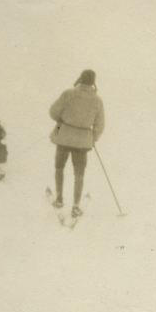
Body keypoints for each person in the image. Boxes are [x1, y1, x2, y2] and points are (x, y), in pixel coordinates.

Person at [48, 69, 104, 216]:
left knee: (59, 167)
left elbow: (53, 111)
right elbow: (100, 124)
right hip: (83, 141)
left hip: (64, 137)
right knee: (79, 173)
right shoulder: (97, 100)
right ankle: (76, 206)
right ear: (93, 82)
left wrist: (63, 121)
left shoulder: (68, 94)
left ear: (80, 79)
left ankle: (59, 199)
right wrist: (93, 137)